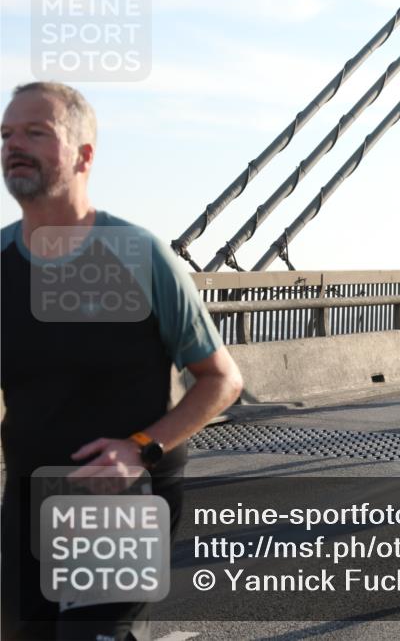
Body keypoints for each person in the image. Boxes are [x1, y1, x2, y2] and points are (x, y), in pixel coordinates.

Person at [1, 82, 243, 640]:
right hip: (27, 498)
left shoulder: (139, 257)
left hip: (122, 499)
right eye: (6, 134)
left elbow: (221, 379)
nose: (14, 145)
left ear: (84, 155)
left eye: (36, 133)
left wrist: (141, 449)